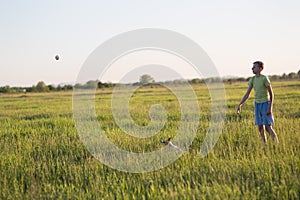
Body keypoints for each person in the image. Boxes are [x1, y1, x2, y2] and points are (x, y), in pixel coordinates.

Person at [237, 61, 279, 144]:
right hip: (257, 105)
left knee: (267, 127)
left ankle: (277, 144)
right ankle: (265, 144)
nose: (252, 68)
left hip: (265, 104)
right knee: (260, 127)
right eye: (252, 67)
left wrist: (269, 108)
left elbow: (271, 94)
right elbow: (247, 94)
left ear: (260, 69)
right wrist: (240, 104)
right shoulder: (252, 79)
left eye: (254, 67)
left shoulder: (264, 78)